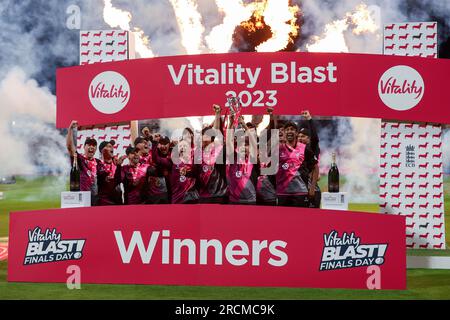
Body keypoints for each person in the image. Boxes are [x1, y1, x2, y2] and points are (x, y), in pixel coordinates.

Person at [273, 117, 318, 207]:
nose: (290, 131)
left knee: (300, 219)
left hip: (300, 192)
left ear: (296, 133)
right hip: (282, 192)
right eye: (287, 129)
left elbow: (315, 167)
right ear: (284, 133)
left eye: (292, 129)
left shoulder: (304, 148)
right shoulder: (278, 149)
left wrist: (312, 187)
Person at [196, 104, 228, 204]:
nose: (204, 138)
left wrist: (217, 114)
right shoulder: (196, 152)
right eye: (203, 136)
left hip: (219, 194)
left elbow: (216, 132)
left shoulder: (216, 149)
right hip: (203, 195)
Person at [226, 116, 260, 205]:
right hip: (234, 201)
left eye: (246, 144)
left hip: (250, 201)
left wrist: (244, 124)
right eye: (241, 144)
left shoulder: (252, 159)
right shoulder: (232, 158)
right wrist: (231, 123)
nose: (244, 147)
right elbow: (228, 141)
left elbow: (254, 142)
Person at [66, 120, 100, 206]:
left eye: (94, 145)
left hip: (96, 198)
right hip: (83, 197)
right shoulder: (79, 159)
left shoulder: (98, 162)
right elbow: (70, 147)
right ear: (84, 147)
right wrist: (70, 129)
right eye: (89, 145)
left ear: (96, 149)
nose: (91, 147)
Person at [298, 110, 321, 208]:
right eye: (298, 136)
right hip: (299, 189)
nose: (300, 138)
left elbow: (315, 138)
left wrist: (309, 119)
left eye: (303, 136)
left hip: (312, 189)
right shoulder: (296, 150)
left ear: (308, 139)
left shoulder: (311, 148)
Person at [170, 129, 199, 204]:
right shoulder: (175, 154)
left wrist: (188, 172)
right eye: (185, 136)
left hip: (191, 194)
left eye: (189, 136)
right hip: (177, 194)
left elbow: (197, 172)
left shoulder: (195, 153)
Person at [256, 107, 277, 206]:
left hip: (268, 192)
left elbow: (272, 129)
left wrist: (271, 115)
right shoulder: (244, 144)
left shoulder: (261, 139)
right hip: (253, 194)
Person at [144, 136, 171, 204]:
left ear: (169, 144)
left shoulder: (172, 155)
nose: (163, 146)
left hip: (168, 194)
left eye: (165, 144)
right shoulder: (151, 154)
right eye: (161, 144)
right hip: (152, 196)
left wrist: (154, 143)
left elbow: (156, 159)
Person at [97, 140, 124, 205]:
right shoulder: (98, 164)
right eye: (109, 146)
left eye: (112, 146)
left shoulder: (117, 164)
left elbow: (121, 180)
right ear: (102, 150)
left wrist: (119, 166)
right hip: (104, 201)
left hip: (117, 200)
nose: (112, 148)